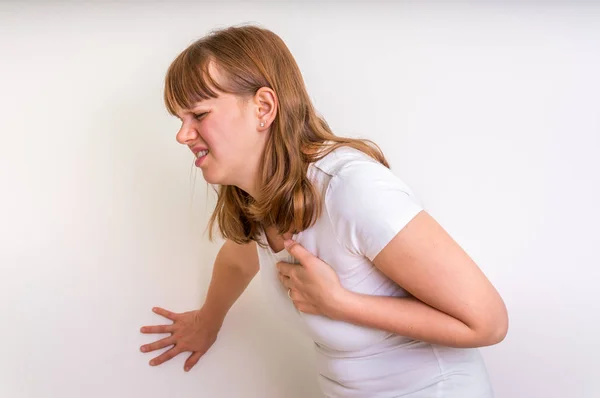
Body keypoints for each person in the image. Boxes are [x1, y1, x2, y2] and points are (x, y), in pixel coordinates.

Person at [139, 24, 508, 397]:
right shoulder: (263, 196)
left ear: (263, 107)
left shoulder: (351, 188)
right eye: (180, 119)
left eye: (198, 115)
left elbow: (488, 323)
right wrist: (207, 322)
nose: (182, 135)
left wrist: (340, 304)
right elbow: (238, 261)